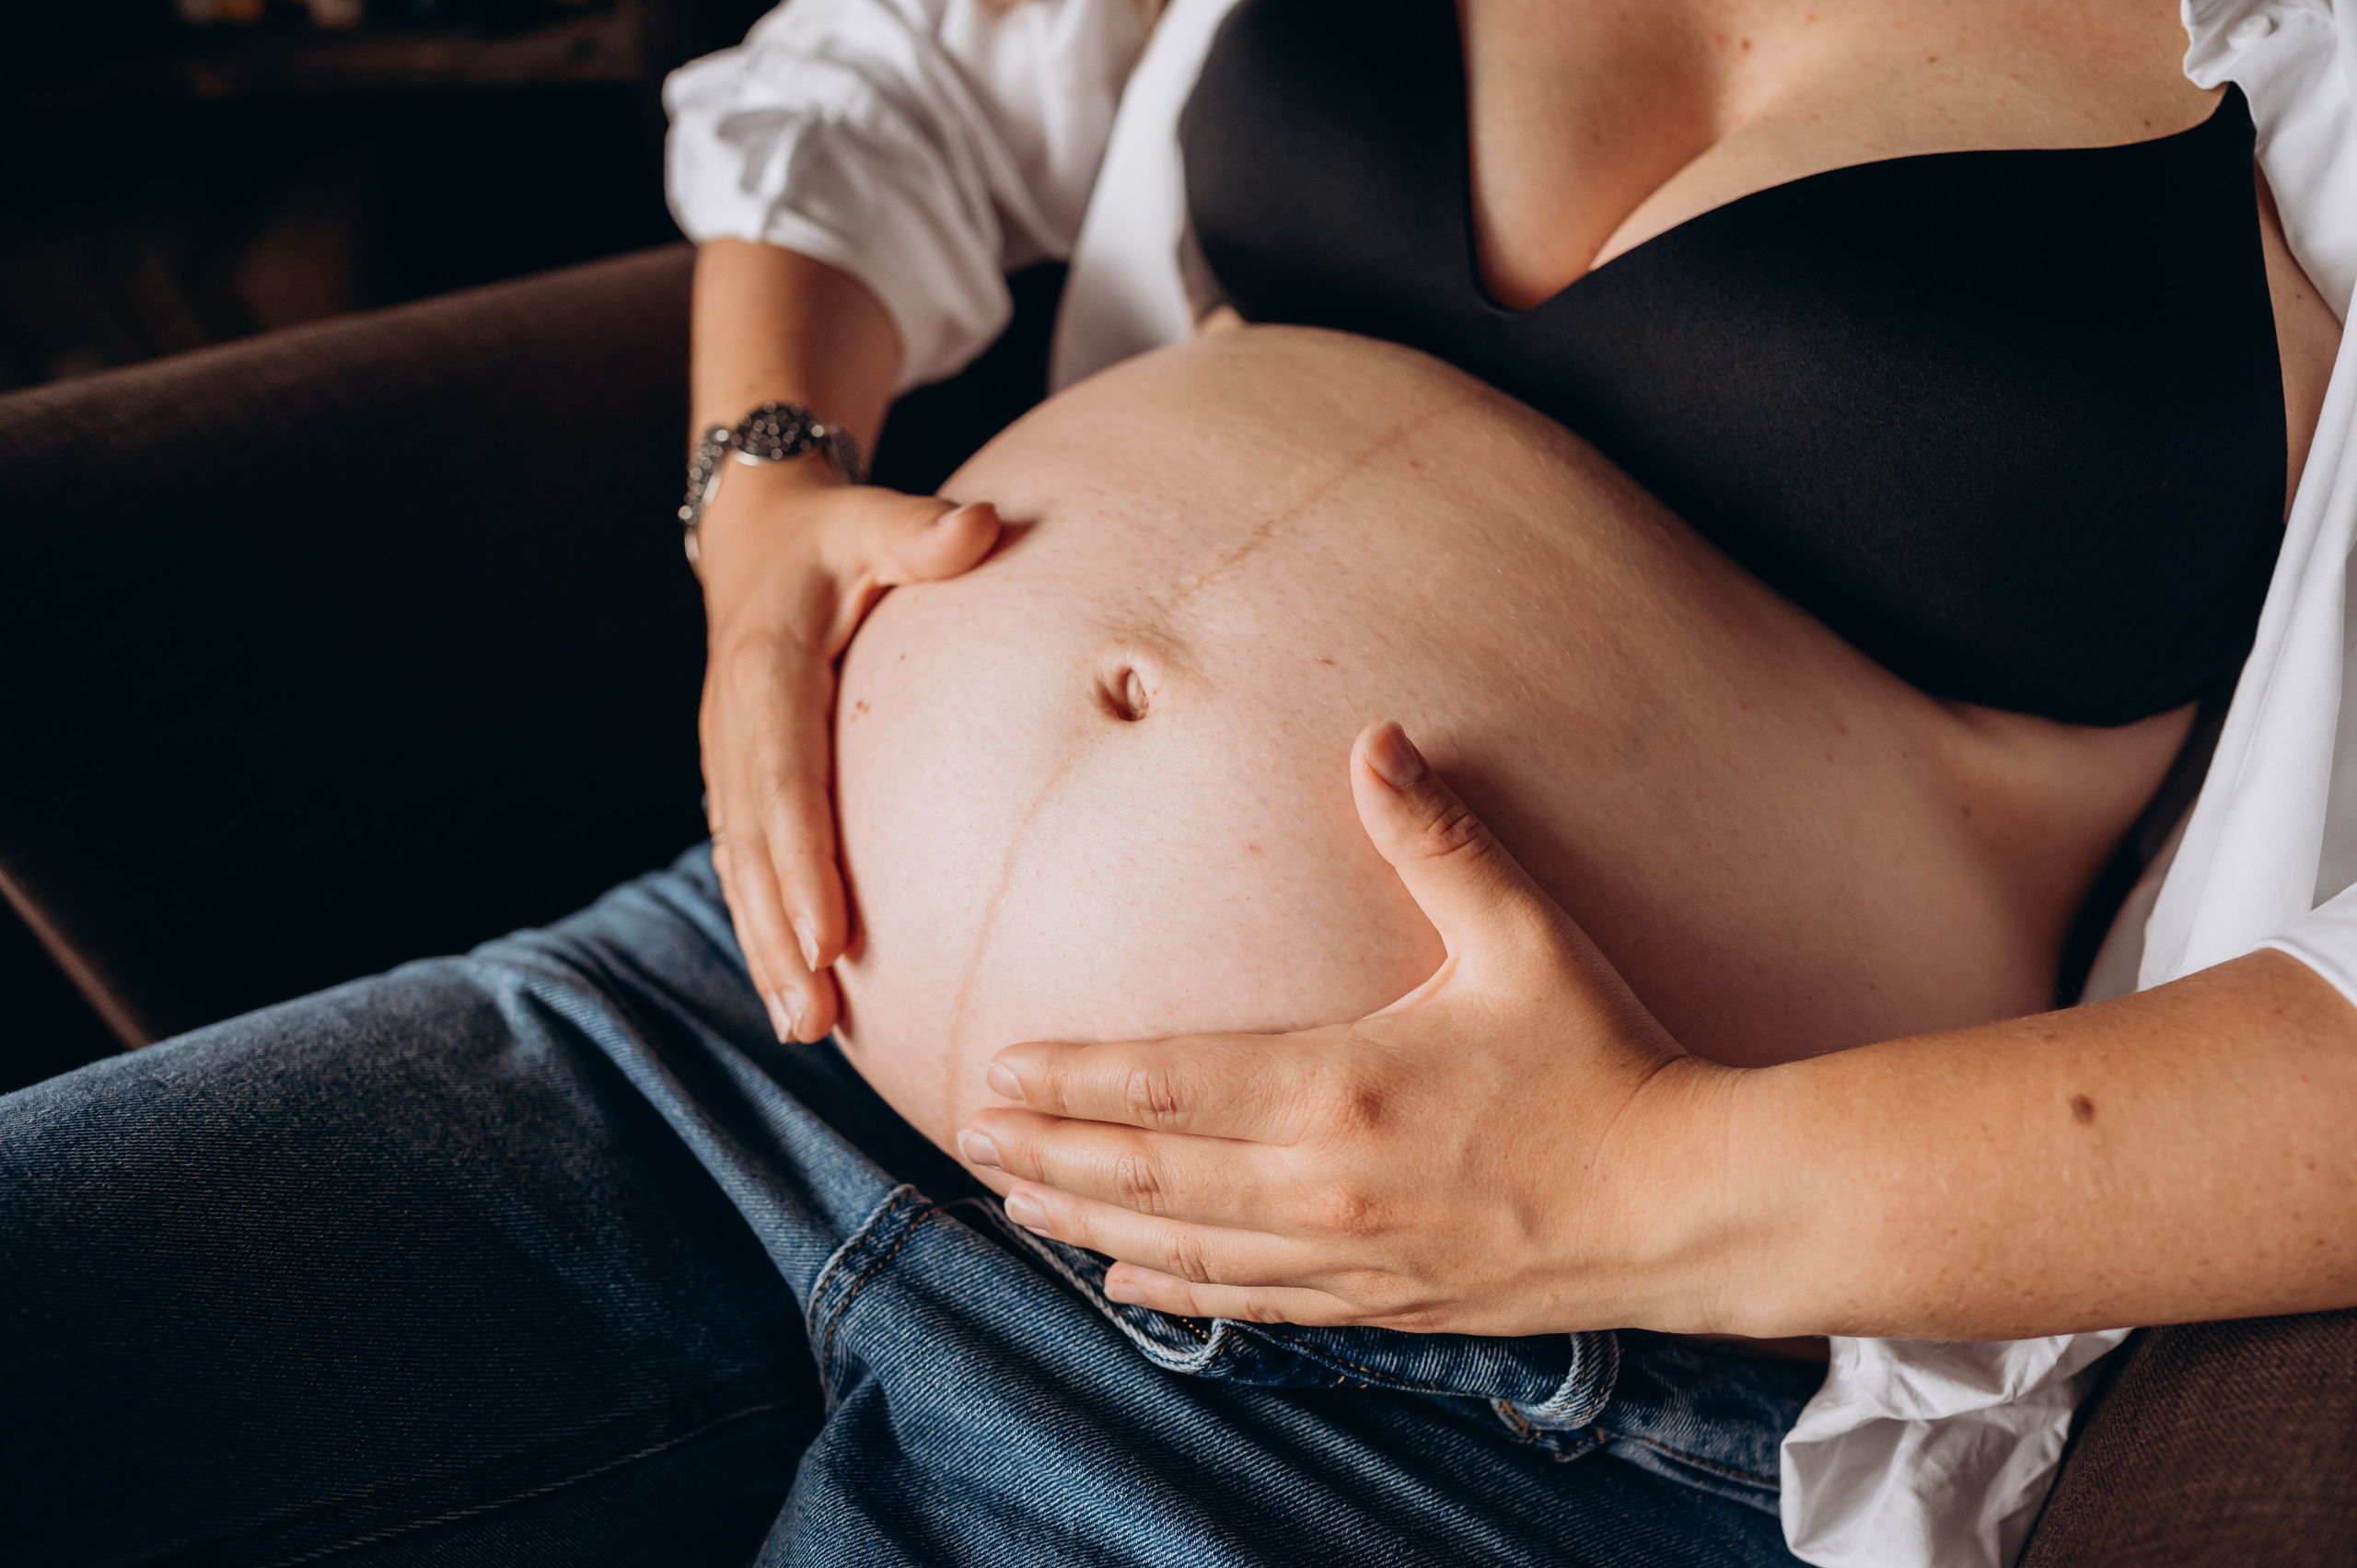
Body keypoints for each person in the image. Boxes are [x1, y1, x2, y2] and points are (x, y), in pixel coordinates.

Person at [0, 5, 2347, 1568]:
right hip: (750, 1023)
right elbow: (886, 68)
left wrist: (1639, 1181)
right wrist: (759, 491)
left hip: (1474, 1363)